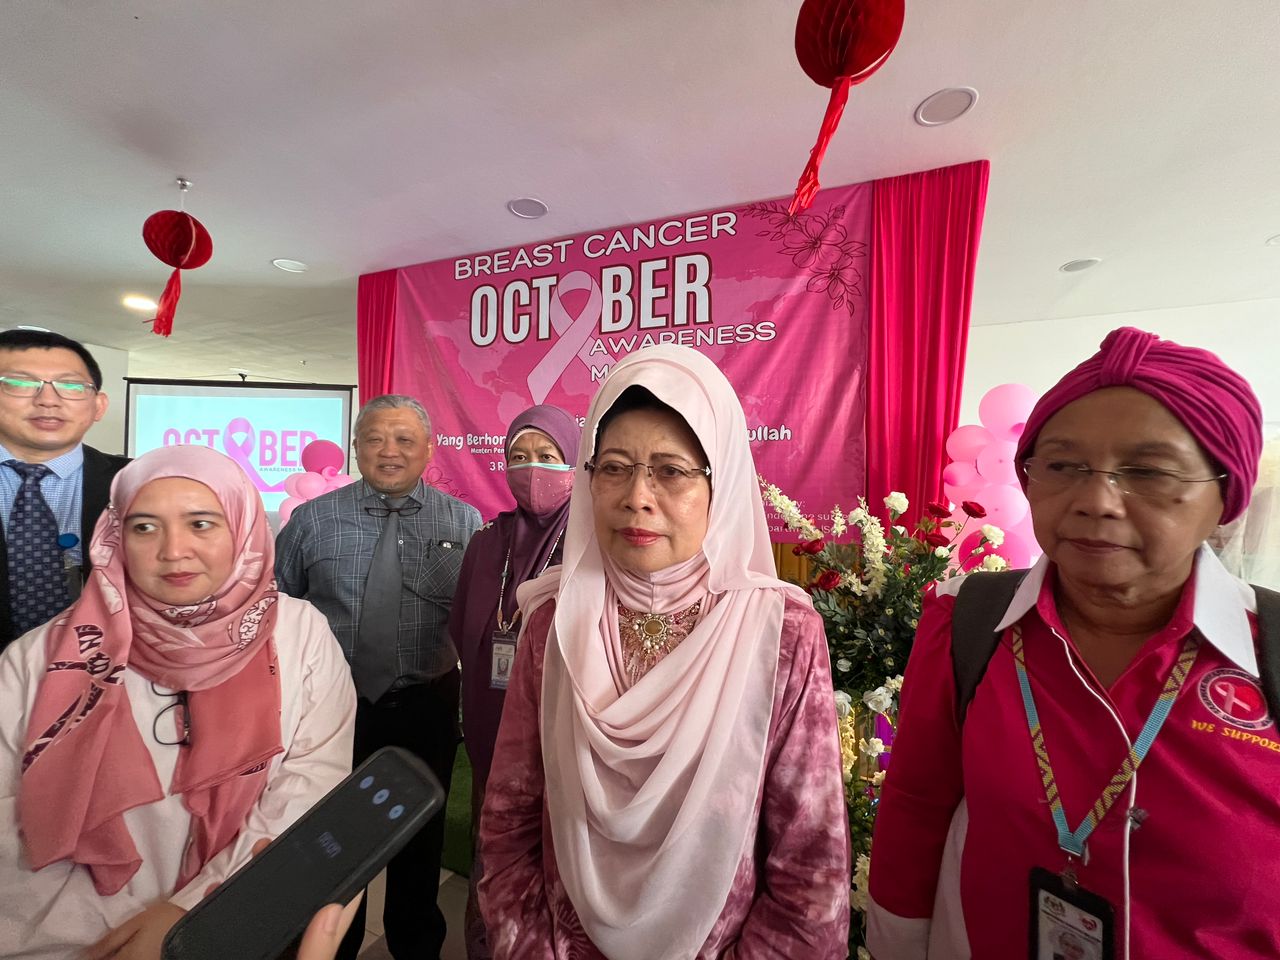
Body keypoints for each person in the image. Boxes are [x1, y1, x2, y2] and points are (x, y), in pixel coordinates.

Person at [867, 327, 1272, 958]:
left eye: (1149, 471)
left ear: (1226, 495)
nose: (1096, 500)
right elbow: (916, 806)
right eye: (1062, 466)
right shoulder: (968, 621)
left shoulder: (1267, 652)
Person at [477, 345, 851, 959]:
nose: (637, 497)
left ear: (719, 483)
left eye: (671, 471)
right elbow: (508, 823)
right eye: (614, 467)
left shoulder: (778, 632)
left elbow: (810, 869)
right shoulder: (553, 622)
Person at [0, 444, 355, 960]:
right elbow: (13, 827)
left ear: (242, 527)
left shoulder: (298, 634)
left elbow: (310, 785)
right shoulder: (43, 658)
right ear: (116, 536)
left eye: (201, 524)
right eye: (144, 527)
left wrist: (193, 912)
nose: (173, 550)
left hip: (230, 925)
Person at [276, 394, 482, 960]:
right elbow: (278, 611)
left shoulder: (463, 522)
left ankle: (416, 948)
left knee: (420, 838)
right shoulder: (312, 521)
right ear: (356, 447)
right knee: (333, 841)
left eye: (404, 439)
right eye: (374, 438)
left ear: (429, 450)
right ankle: (331, 948)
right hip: (333, 710)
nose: (389, 451)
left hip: (426, 706)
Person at [449, 403, 579, 960]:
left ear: (574, 461)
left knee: (559, 861)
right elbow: (461, 624)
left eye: (547, 455)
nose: (532, 469)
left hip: (563, 733)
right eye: (519, 456)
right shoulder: (488, 540)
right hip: (491, 726)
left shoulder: (593, 539)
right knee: (494, 851)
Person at [0, 328, 129, 653]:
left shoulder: (140, 481)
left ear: (98, 406)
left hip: (111, 670)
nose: (48, 400)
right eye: (20, 384)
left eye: (71, 386)